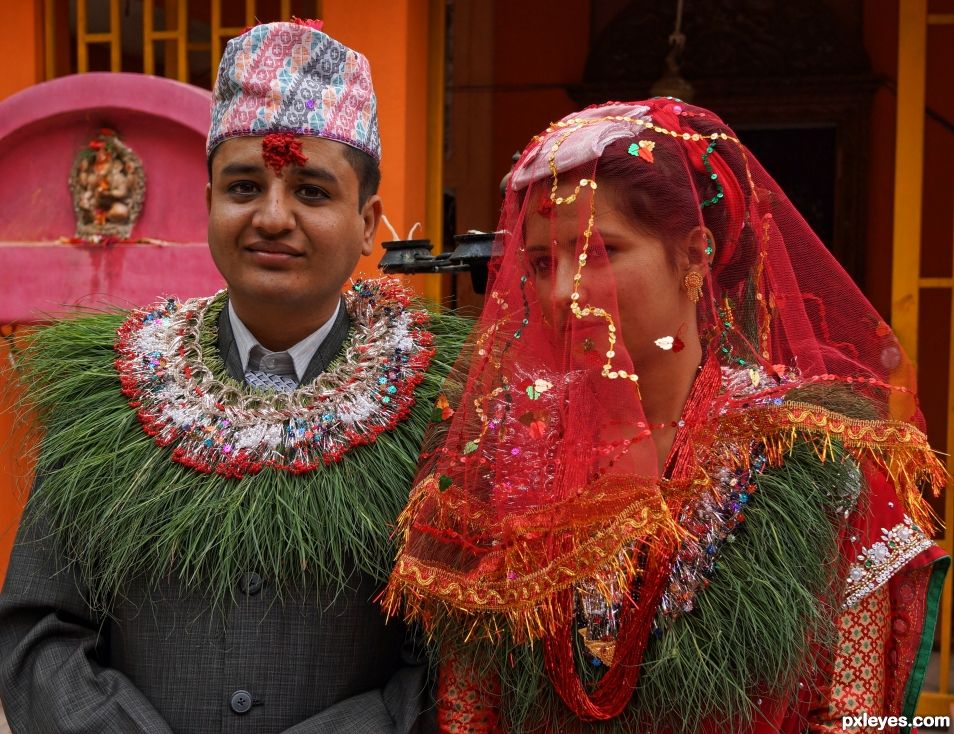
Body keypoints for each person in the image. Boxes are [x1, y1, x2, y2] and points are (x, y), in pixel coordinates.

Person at [384, 98, 949, 733]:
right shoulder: (503, 458)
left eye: (600, 252)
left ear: (693, 256)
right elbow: (470, 711)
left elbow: (850, 718)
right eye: (542, 263)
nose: (563, 292)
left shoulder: (817, 463)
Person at [0, 19, 467, 733]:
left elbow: (461, 661)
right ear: (209, 201)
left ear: (369, 221)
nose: (272, 217)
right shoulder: (110, 389)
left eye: (312, 192)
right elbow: (37, 634)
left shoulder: (445, 407)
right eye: (245, 185)